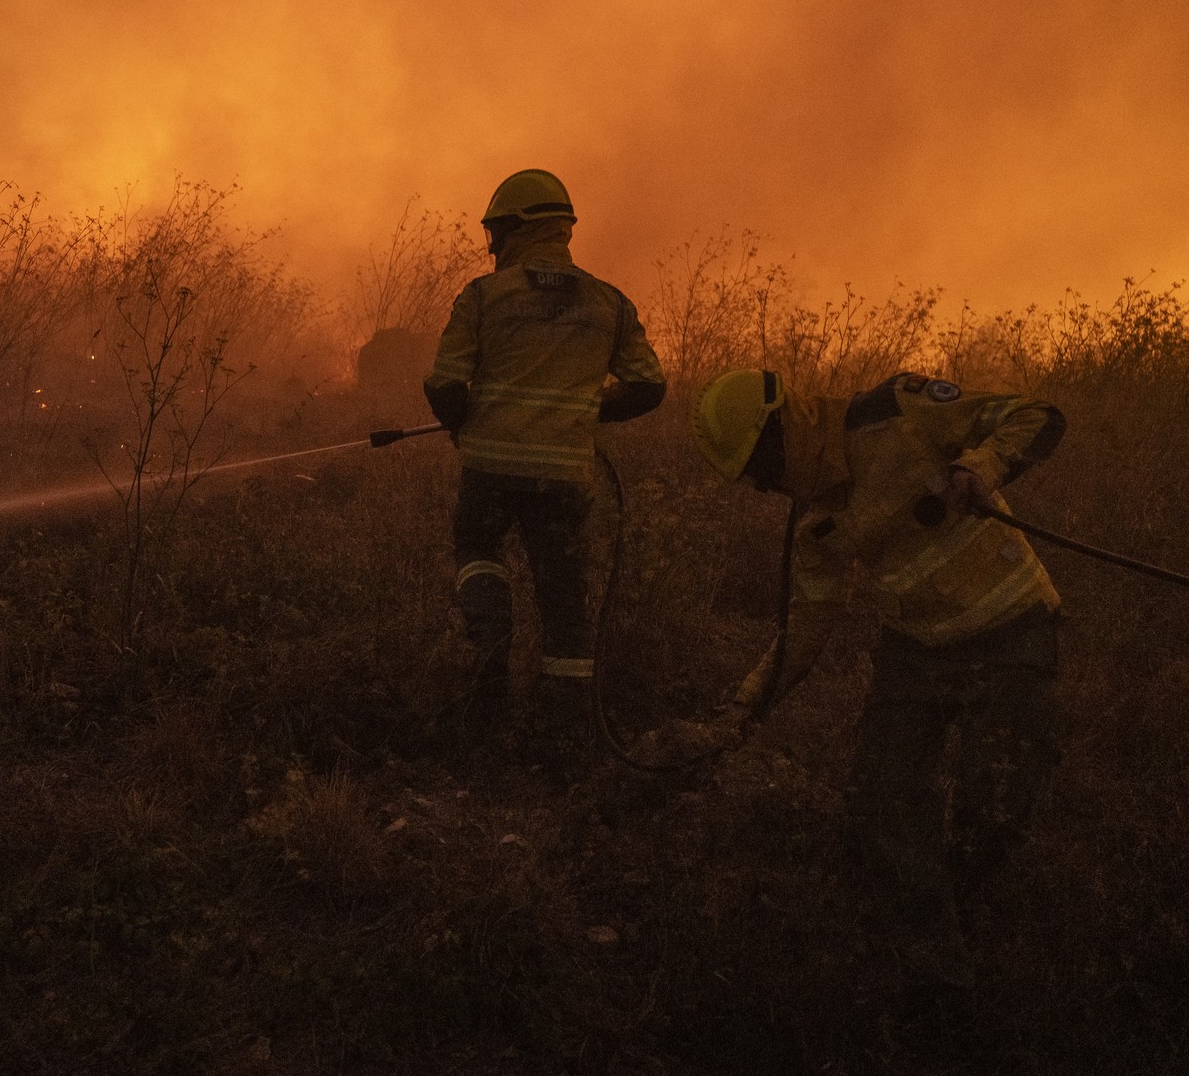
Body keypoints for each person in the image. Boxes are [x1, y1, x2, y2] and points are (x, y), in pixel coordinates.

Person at [693, 367, 1066, 1033]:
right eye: (752, 477)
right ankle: (939, 981)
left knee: (996, 806)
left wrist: (980, 465)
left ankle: (962, 923)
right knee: (882, 802)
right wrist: (740, 710)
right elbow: (802, 630)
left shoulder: (896, 411)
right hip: (915, 652)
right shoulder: (818, 526)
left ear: (787, 424)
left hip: (1011, 633)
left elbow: (1036, 416)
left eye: (763, 463)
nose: (766, 483)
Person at [424, 169, 665, 735]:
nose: (492, 248)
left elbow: (444, 385)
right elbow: (649, 386)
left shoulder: (484, 297)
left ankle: (489, 677)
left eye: (495, 233)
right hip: (563, 477)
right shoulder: (610, 304)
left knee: (479, 553)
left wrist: (462, 425)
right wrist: (581, 410)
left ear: (516, 228)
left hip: (489, 469)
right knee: (563, 600)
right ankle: (565, 738)